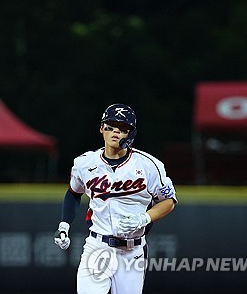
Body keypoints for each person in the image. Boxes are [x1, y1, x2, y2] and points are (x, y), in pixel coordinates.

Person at [54, 103, 177, 294]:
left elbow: (168, 201)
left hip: (132, 251)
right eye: (110, 126)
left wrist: (144, 218)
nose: (115, 132)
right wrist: (64, 225)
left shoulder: (149, 165)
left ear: (131, 134)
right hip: (97, 246)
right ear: (101, 128)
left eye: (123, 128)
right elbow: (73, 193)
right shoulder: (84, 163)